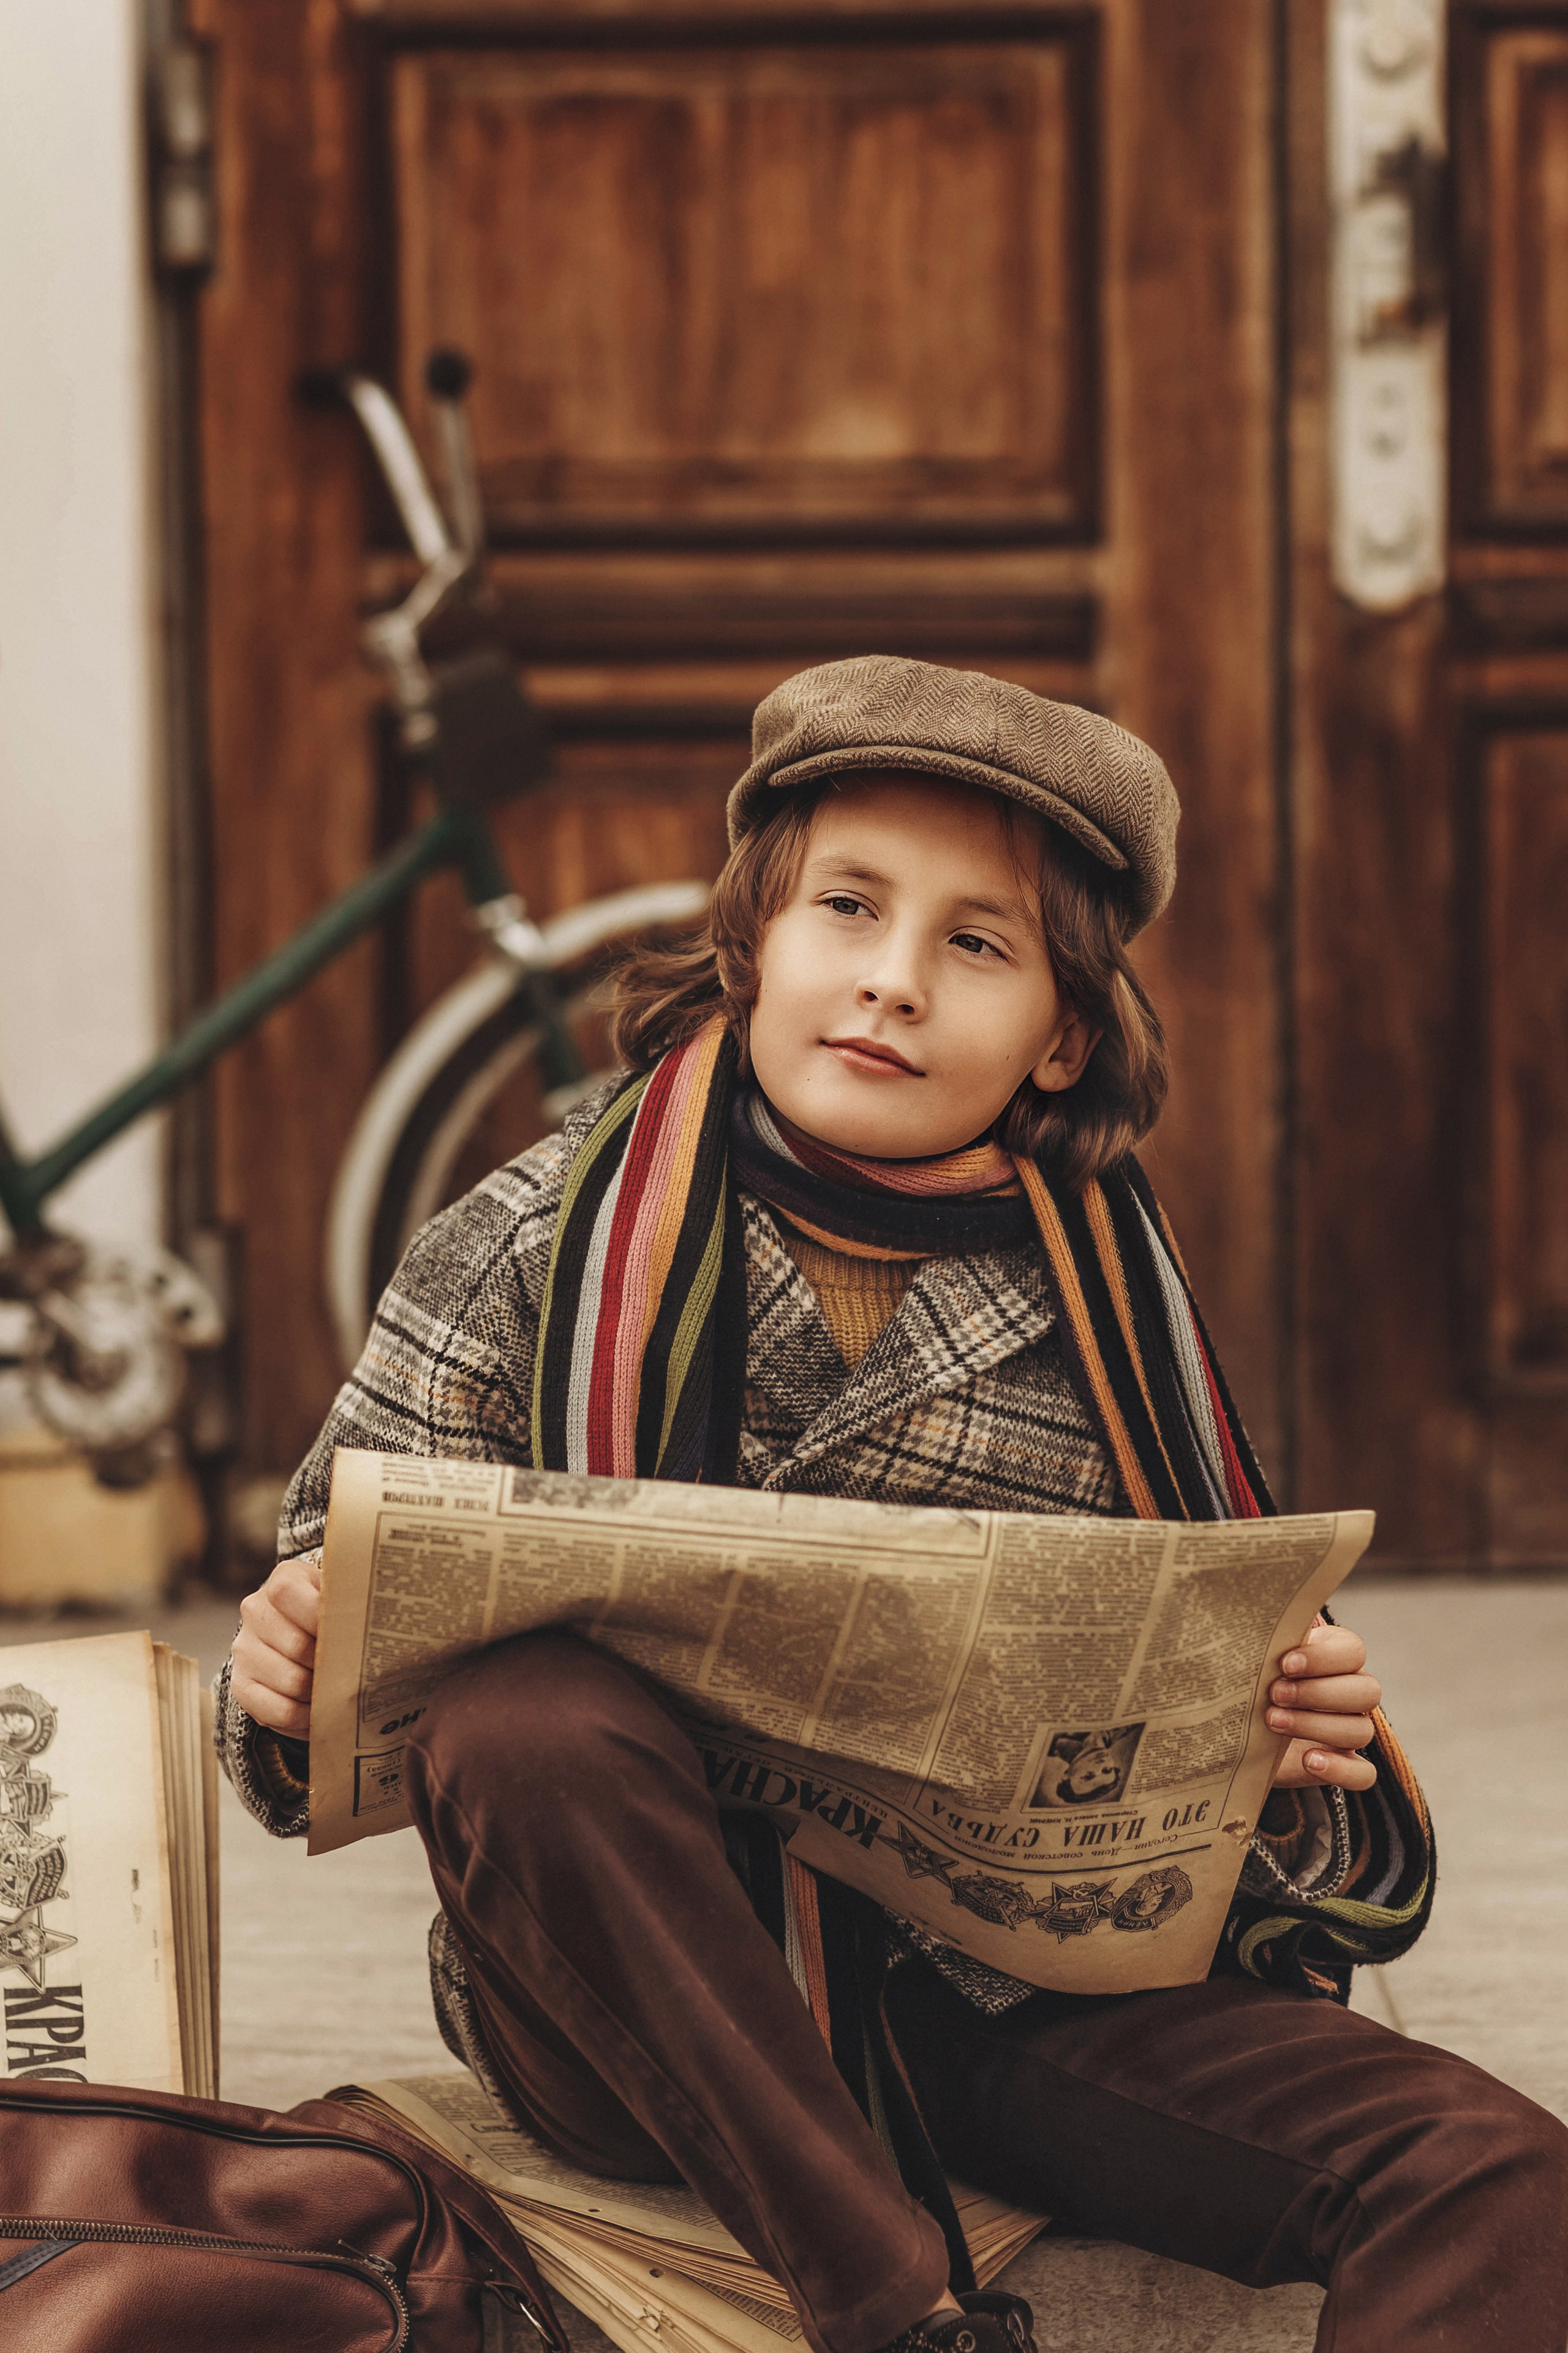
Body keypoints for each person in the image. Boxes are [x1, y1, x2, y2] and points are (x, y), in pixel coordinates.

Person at [218, 658, 1567, 2353]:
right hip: (640, 2011)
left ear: (1064, 1034)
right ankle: (895, 2312)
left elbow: (1212, 1780)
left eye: (977, 944)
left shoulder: (1109, 1305)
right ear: (753, 939)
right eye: (847, 908)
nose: (892, 981)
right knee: (519, 1721)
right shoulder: (531, 1240)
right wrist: (287, 1674)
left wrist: (1288, 1748)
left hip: (1007, 2005)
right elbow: (311, 1702)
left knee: (1494, 2175)